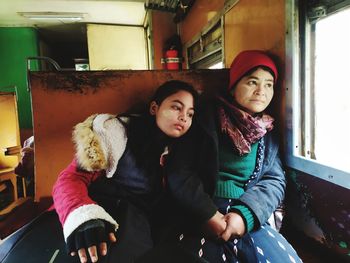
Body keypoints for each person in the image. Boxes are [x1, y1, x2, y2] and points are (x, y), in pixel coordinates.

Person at [159, 50, 302, 262]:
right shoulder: (203, 119)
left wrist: (244, 216)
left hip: (244, 211)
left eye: (269, 84)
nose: (261, 91)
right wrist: (207, 214)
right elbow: (180, 171)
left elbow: (274, 180)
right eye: (252, 82)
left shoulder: (267, 132)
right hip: (200, 210)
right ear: (234, 86)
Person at [52, 80, 198, 263]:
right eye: (176, 107)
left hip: (145, 225)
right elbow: (70, 179)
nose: (184, 117)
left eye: (190, 114)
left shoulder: (179, 153)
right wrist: (84, 218)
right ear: (155, 108)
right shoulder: (118, 135)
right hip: (107, 215)